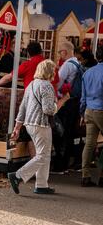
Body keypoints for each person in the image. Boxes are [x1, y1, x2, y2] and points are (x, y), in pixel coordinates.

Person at [8, 60, 69, 195]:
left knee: (44, 154)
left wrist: (17, 127)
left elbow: (22, 107)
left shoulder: (31, 84)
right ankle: (17, 176)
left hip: (30, 124)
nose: (55, 73)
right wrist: (62, 101)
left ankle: (41, 184)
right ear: (49, 71)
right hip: (41, 124)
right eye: (53, 70)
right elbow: (49, 110)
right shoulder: (47, 86)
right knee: (42, 155)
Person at [52, 41, 85, 173]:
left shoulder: (67, 65)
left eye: (60, 52)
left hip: (65, 102)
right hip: (75, 102)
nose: (59, 54)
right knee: (70, 133)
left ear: (64, 52)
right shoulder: (78, 63)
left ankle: (59, 165)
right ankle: (68, 163)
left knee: (61, 133)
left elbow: (57, 83)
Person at [80, 47, 103, 187]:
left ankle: (85, 175)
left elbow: (83, 97)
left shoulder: (87, 73)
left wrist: (81, 113)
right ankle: (102, 176)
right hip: (102, 109)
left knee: (89, 143)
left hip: (89, 109)